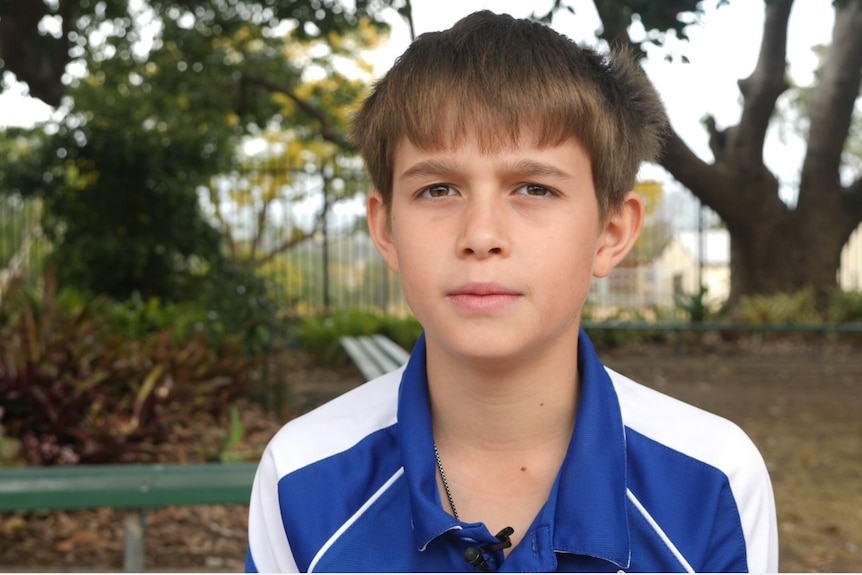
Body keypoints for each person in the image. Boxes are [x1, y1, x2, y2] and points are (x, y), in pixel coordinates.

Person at [245, 10, 778, 573]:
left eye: (534, 188)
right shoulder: (302, 476)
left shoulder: (712, 481)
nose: (481, 236)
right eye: (438, 188)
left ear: (611, 232)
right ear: (385, 229)